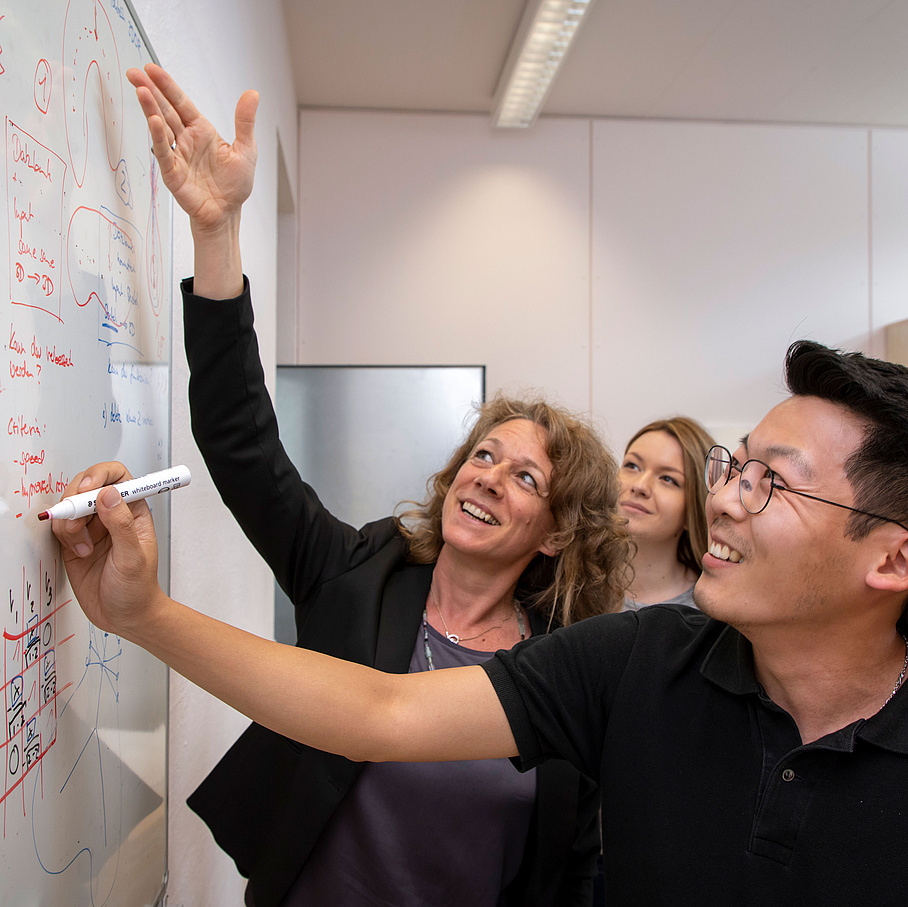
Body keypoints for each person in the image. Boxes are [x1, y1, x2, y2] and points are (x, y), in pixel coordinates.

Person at [55, 335, 908, 904]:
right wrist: (145, 615)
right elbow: (378, 714)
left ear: (892, 559)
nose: (724, 499)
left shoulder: (572, 642)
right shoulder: (635, 659)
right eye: (733, 466)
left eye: (773, 481)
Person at [115, 64, 632, 907]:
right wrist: (218, 233)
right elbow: (242, 443)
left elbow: (572, 869)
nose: (488, 476)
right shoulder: (361, 573)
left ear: (558, 532)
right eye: (485, 454)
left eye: (526, 475)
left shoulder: (566, 674)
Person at [618, 417, 715, 610]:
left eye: (668, 479)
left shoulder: (708, 612)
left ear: (693, 509)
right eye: (632, 466)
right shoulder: (568, 581)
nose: (639, 486)